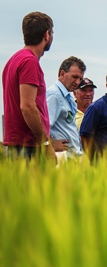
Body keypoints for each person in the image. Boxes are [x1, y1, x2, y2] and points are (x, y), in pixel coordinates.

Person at [2, 11, 56, 161]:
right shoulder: (29, 62)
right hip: (29, 146)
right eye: (52, 33)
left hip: (18, 143)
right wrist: (45, 144)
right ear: (46, 35)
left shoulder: (14, 60)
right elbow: (27, 106)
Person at [46, 56, 85, 160]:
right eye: (74, 77)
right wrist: (50, 144)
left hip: (71, 158)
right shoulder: (54, 95)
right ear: (62, 74)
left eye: (80, 79)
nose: (77, 82)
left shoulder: (67, 97)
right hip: (61, 157)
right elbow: (43, 125)